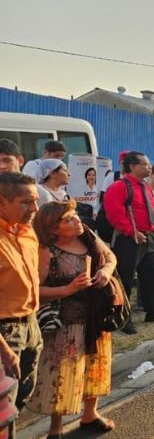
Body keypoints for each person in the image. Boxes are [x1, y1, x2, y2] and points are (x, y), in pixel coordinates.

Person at [28, 200, 117, 438]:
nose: (77, 220)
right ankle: (55, 427)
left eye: (75, 214)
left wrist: (105, 273)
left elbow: (110, 257)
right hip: (65, 323)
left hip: (95, 318)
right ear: (53, 229)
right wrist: (67, 290)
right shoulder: (46, 250)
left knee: (93, 367)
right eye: (68, 219)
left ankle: (90, 414)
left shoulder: (86, 235)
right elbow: (34, 290)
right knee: (60, 374)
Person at [104, 151, 154, 334]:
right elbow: (115, 214)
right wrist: (132, 231)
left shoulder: (144, 186)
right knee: (125, 280)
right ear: (132, 166)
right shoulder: (119, 187)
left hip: (149, 235)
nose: (149, 167)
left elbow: (149, 208)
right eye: (144, 164)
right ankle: (123, 318)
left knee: (152, 275)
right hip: (129, 238)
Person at [0, 172, 41, 439]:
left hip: (30, 325)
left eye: (35, 201)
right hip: (5, 333)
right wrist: (3, 350)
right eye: (26, 202)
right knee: (2, 410)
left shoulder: (26, 232)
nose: (34, 209)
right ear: (2, 202)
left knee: (21, 397)